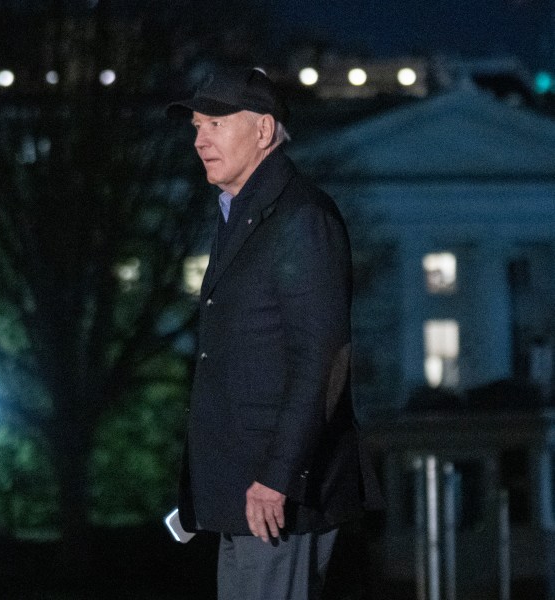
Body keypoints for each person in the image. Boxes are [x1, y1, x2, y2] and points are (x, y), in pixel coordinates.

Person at [167, 68, 383, 599]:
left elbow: (322, 358)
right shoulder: (239, 214)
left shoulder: (301, 218)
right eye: (196, 125)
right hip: (247, 492)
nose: (199, 139)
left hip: (276, 494)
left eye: (215, 123)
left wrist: (278, 476)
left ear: (263, 131)